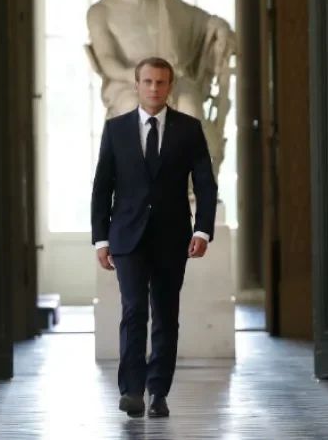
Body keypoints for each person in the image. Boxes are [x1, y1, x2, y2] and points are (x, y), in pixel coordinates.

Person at [91, 56, 218, 418]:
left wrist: (203, 229)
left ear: (170, 87)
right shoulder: (115, 129)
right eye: (147, 81)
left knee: (166, 313)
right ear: (137, 84)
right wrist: (101, 239)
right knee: (133, 311)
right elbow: (102, 187)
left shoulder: (189, 129)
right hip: (126, 236)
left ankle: (158, 391)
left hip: (172, 236)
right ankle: (131, 390)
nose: (154, 88)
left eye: (161, 83)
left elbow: (205, 184)